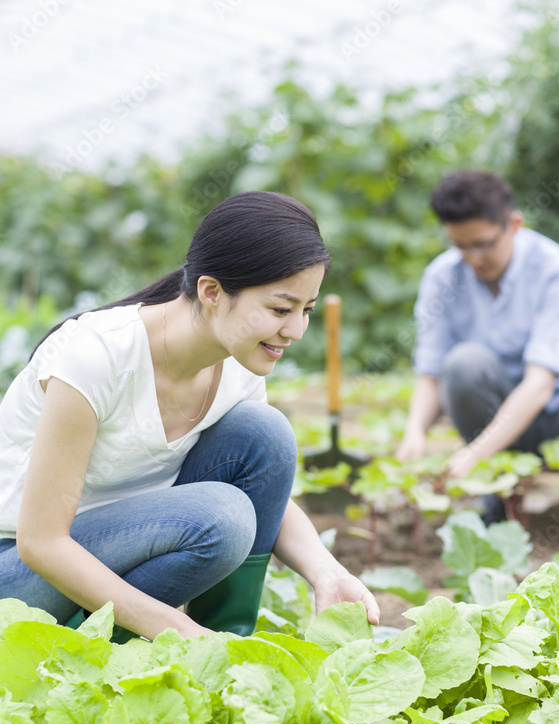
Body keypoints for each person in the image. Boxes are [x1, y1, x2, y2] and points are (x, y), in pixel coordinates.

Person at [0, 191, 380, 640]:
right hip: (21, 571)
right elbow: (41, 543)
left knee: (265, 433)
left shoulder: (238, 363)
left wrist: (326, 572)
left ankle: (227, 643)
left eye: (306, 310)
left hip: (123, 550)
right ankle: (99, 645)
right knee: (222, 517)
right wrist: (173, 626)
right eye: (281, 309)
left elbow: (265, 487)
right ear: (212, 291)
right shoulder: (97, 357)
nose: (296, 330)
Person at [396, 169, 559, 528]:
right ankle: (498, 494)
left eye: (483, 244)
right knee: (462, 363)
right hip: (494, 412)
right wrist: (414, 432)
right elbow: (432, 371)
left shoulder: (557, 270)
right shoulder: (443, 277)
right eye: (460, 246)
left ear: (513, 224)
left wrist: (472, 454)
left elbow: (540, 383)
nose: (473, 258)